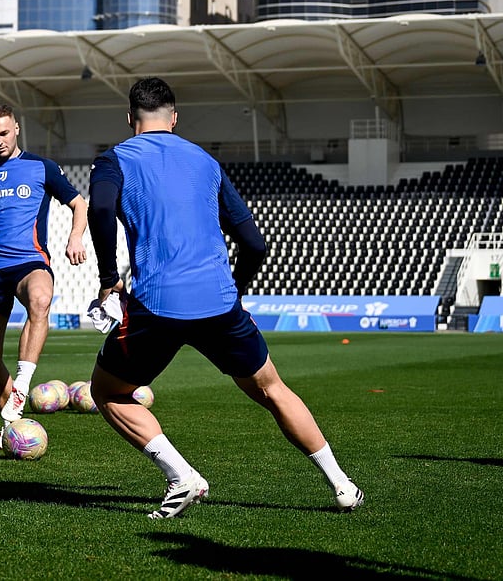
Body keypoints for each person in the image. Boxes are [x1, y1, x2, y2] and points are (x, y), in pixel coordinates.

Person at [87, 77, 363, 518]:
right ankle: (342, 485)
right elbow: (254, 243)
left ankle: (182, 478)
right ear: (174, 119)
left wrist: (108, 280)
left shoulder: (114, 159)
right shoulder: (205, 161)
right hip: (219, 302)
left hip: (157, 305)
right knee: (272, 390)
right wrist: (237, 292)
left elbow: (100, 210)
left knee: (107, 391)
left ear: (130, 119)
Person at [0, 104, 88, 452]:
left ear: (16, 129)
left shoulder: (41, 167)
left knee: (41, 300)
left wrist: (75, 238)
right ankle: (10, 425)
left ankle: (22, 387)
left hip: (30, 260)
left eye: (4, 133)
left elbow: (79, 203)